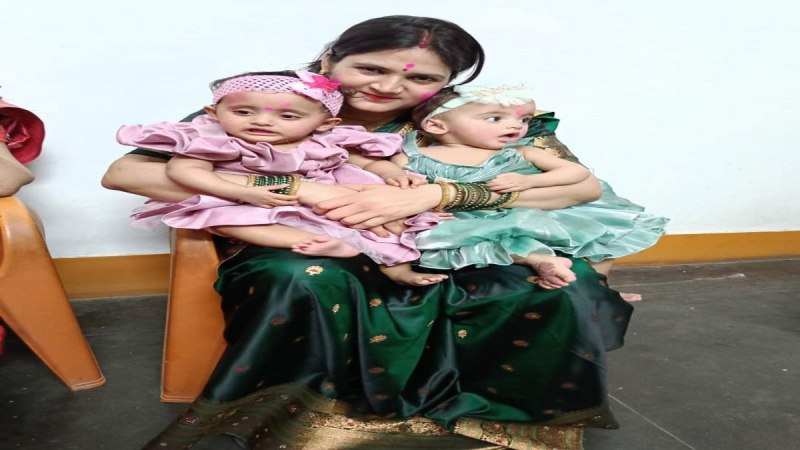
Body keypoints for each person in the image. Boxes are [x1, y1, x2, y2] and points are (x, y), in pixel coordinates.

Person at [102, 16, 633, 450]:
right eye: (370, 68)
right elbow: (126, 173)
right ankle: (309, 422)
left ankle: (498, 417)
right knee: (305, 275)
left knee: (557, 283)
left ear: (446, 84)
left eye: (420, 79)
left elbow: (579, 190)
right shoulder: (270, 100)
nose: (389, 87)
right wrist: (299, 189)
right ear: (330, 59)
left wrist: (434, 195)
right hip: (298, 233)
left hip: (438, 233)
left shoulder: (464, 115)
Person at [117, 70, 446, 285]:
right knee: (226, 219)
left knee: (377, 212)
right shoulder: (216, 140)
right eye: (243, 112)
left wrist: (391, 173)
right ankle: (307, 242)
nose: (262, 122)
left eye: (288, 116)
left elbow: (360, 159)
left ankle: (396, 266)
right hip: (247, 202)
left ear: (325, 124)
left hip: (324, 199)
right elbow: (182, 171)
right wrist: (243, 192)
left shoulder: (324, 139)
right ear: (214, 113)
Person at [382, 85, 668, 290]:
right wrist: (412, 196)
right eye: (494, 118)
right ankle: (540, 262)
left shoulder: (520, 152)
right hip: (462, 216)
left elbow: (576, 172)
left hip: (524, 209)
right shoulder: (412, 155)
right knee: (460, 238)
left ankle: (600, 291)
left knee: (600, 243)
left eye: (523, 119)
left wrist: (530, 180)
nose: (515, 126)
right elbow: (393, 183)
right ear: (437, 125)